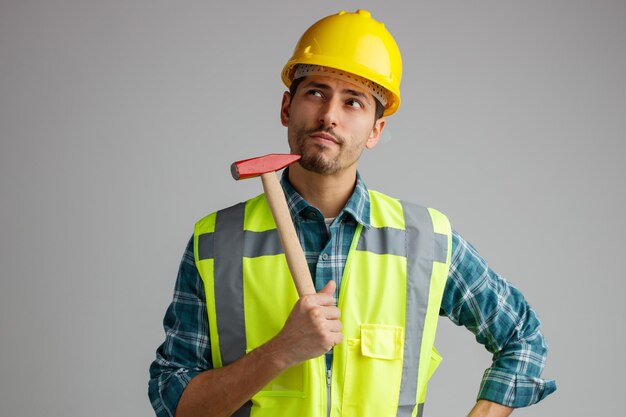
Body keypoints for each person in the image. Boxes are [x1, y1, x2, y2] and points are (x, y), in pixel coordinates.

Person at [148, 9, 556, 417]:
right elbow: (173, 401)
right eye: (316, 92)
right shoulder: (216, 242)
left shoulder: (425, 241)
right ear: (287, 107)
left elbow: (522, 337)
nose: (329, 115)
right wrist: (278, 352)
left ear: (375, 130)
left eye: (353, 101)